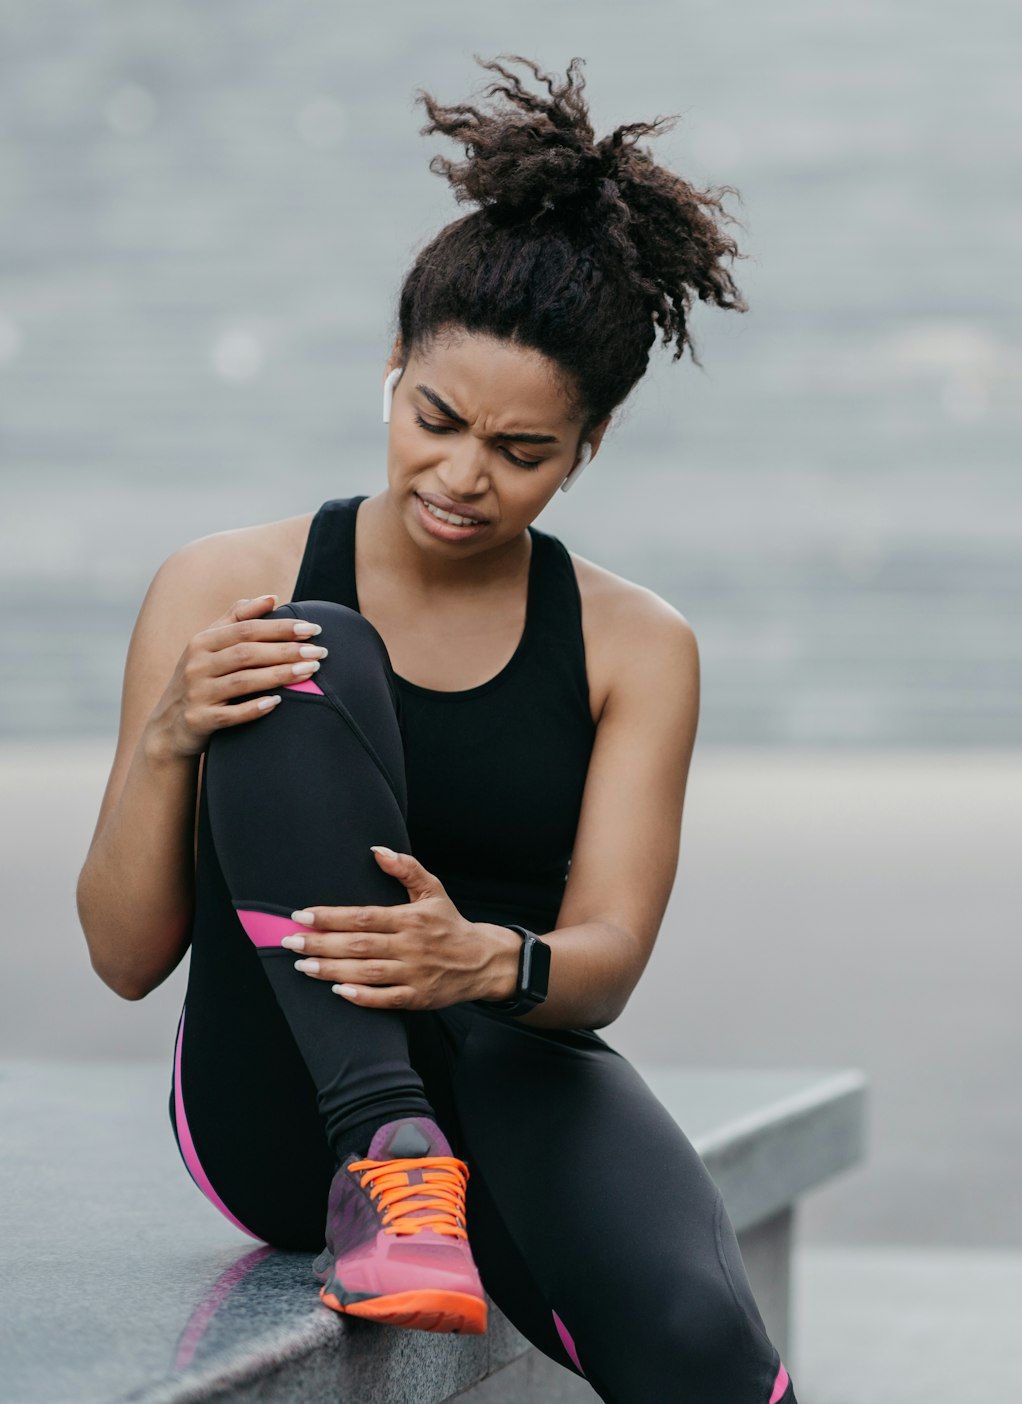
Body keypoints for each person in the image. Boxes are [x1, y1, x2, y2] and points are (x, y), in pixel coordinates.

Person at [74, 54, 801, 1404]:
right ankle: (391, 1158)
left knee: (707, 1344)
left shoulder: (638, 646)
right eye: (437, 421)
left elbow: (602, 962)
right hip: (290, 1105)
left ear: (586, 447)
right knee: (307, 644)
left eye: (520, 452)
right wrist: (174, 735)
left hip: (502, 1053)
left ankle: (429, 1159)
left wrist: (476, 957)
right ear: (394, 370)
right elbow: (124, 958)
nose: (465, 477)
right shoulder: (219, 585)